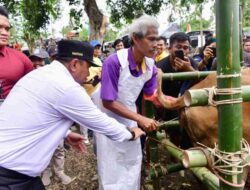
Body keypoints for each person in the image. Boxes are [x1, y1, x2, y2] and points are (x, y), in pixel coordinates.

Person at [0, 40, 145, 190]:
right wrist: (130, 133)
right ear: (74, 64)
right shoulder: (67, 87)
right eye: (88, 67)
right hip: (10, 175)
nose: (89, 74)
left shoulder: (41, 74)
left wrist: (65, 132)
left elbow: (31, 115)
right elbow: (101, 122)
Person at [94, 15, 162, 190]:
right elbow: (108, 102)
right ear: (135, 38)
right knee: (110, 165)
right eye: (151, 39)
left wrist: (165, 90)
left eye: (157, 39)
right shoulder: (114, 61)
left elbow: (150, 96)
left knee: (131, 164)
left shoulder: (150, 65)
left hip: (130, 114)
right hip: (107, 117)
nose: (156, 44)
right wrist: (141, 119)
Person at [155, 32, 198, 148]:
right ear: (169, 49)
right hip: (167, 105)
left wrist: (189, 70)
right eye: (178, 47)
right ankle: (174, 156)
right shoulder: (160, 65)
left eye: (185, 48)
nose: (183, 51)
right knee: (174, 132)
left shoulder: (191, 63)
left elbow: (201, 84)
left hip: (188, 103)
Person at [0, 6, 33, 101]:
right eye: (0, 27)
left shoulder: (21, 59)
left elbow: (35, 90)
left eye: (7, 29)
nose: (5, 33)